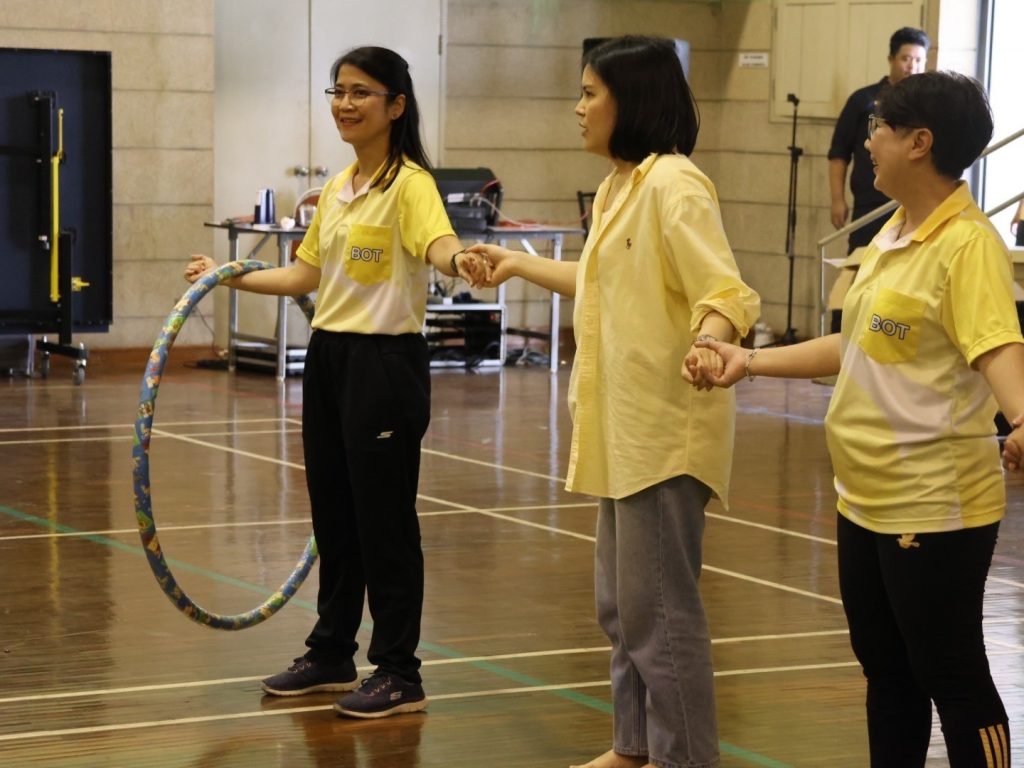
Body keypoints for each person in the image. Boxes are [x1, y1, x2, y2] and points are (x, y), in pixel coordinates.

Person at [689, 71, 1021, 767]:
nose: (867, 142)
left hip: (934, 504)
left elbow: (997, 347)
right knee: (887, 671)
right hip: (861, 498)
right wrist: (748, 362)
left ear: (919, 143)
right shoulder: (893, 233)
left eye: (879, 128)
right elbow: (854, 344)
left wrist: (1022, 418)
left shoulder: (969, 247)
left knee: (951, 672)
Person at [469, 36, 759, 768]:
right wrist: (517, 264)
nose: (578, 107)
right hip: (619, 431)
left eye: (590, 93)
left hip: (664, 433)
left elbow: (726, 292)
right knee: (621, 609)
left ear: (631, 102)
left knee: (659, 613)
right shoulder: (619, 186)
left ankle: (683, 758)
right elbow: (601, 279)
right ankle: (633, 748)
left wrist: (710, 340)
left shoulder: (676, 185)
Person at [184, 46, 487, 719]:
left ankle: (400, 671)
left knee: (384, 522)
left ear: (396, 106)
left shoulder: (411, 185)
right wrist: (225, 276)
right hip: (328, 359)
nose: (345, 105)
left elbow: (438, 246)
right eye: (338, 91)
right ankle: (330, 653)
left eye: (360, 93)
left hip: (385, 365)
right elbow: (303, 275)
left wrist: (461, 259)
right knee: (334, 515)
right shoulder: (340, 187)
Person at [829, 26, 929, 254]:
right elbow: (838, 153)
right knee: (863, 264)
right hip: (870, 204)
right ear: (891, 59)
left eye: (918, 60)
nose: (912, 66)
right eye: (906, 58)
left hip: (914, 203)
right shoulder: (863, 100)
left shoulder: (928, 105)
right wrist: (837, 199)